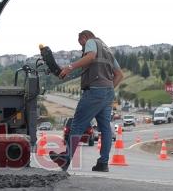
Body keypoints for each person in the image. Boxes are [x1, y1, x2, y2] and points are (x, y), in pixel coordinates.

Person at [52, 30, 124, 172]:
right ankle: (103, 163)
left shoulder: (91, 42)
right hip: (108, 92)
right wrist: (107, 90)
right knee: (105, 129)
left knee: (77, 124)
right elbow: (120, 74)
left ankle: (65, 159)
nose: (82, 49)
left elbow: (91, 57)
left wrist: (69, 67)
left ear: (84, 37)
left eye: (81, 44)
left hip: (94, 91)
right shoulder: (107, 50)